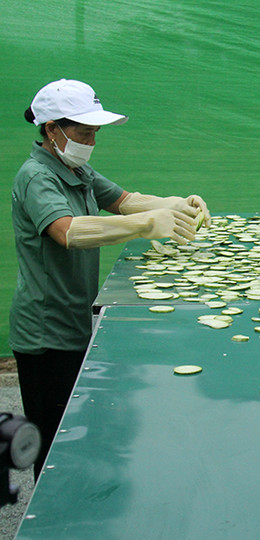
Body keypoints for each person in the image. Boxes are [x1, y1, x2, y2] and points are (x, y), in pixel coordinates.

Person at [10, 79, 212, 478]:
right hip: (44, 332)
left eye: (95, 133)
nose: (92, 141)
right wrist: (145, 225)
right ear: (52, 129)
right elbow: (67, 231)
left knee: (78, 432)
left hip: (73, 319)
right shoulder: (37, 176)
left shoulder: (75, 168)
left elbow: (124, 201)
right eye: (84, 132)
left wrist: (177, 203)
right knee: (54, 446)